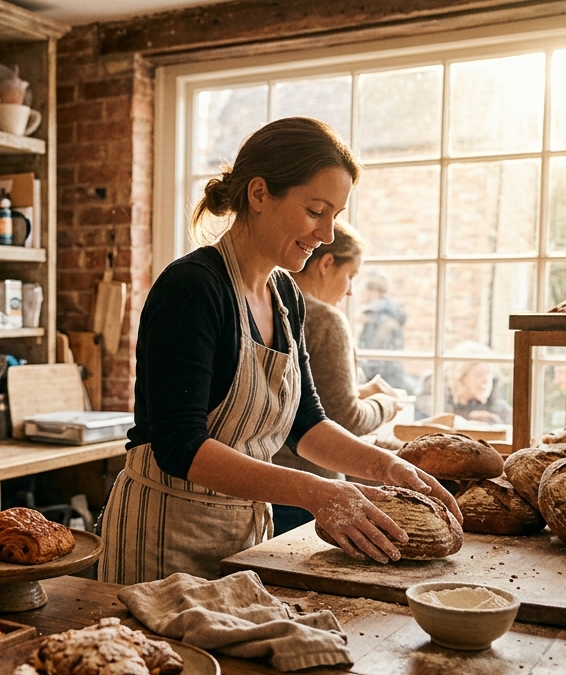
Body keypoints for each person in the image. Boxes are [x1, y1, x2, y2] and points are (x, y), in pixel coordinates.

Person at [98, 117, 461, 585]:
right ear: (259, 193)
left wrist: (387, 467)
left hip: (244, 535)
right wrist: (316, 492)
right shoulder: (192, 287)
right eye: (315, 211)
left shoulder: (286, 296)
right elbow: (179, 446)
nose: (327, 234)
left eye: (335, 215)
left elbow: (305, 423)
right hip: (163, 538)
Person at [271, 221, 402, 533]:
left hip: (264, 485)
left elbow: (297, 397)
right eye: (351, 276)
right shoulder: (326, 320)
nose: (351, 290)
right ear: (326, 263)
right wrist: (386, 403)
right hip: (311, 490)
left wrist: (359, 391)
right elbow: (345, 418)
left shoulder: (268, 304)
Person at [416, 342, 511, 424]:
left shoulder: (501, 410)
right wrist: (468, 417)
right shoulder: (434, 403)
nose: (486, 381)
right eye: (479, 374)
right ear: (461, 376)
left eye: (489, 373)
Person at [356, 273, 417, 393]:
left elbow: (375, 353)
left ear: (373, 291)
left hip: (381, 377)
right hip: (393, 373)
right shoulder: (392, 312)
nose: (362, 294)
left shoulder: (376, 314)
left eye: (364, 290)